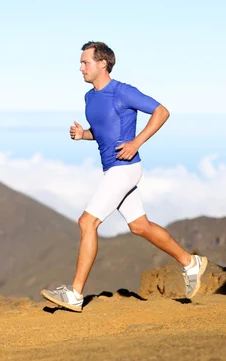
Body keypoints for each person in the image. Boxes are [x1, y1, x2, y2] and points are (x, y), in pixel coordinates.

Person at [41, 41, 208, 312]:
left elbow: (161, 111)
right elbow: (104, 130)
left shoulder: (122, 91)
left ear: (102, 64)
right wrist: (83, 134)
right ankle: (191, 263)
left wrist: (136, 142)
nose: (80, 67)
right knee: (139, 226)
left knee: (87, 222)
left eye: (85, 62)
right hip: (112, 169)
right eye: (81, 62)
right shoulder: (90, 97)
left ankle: (75, 294)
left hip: (125, 168)